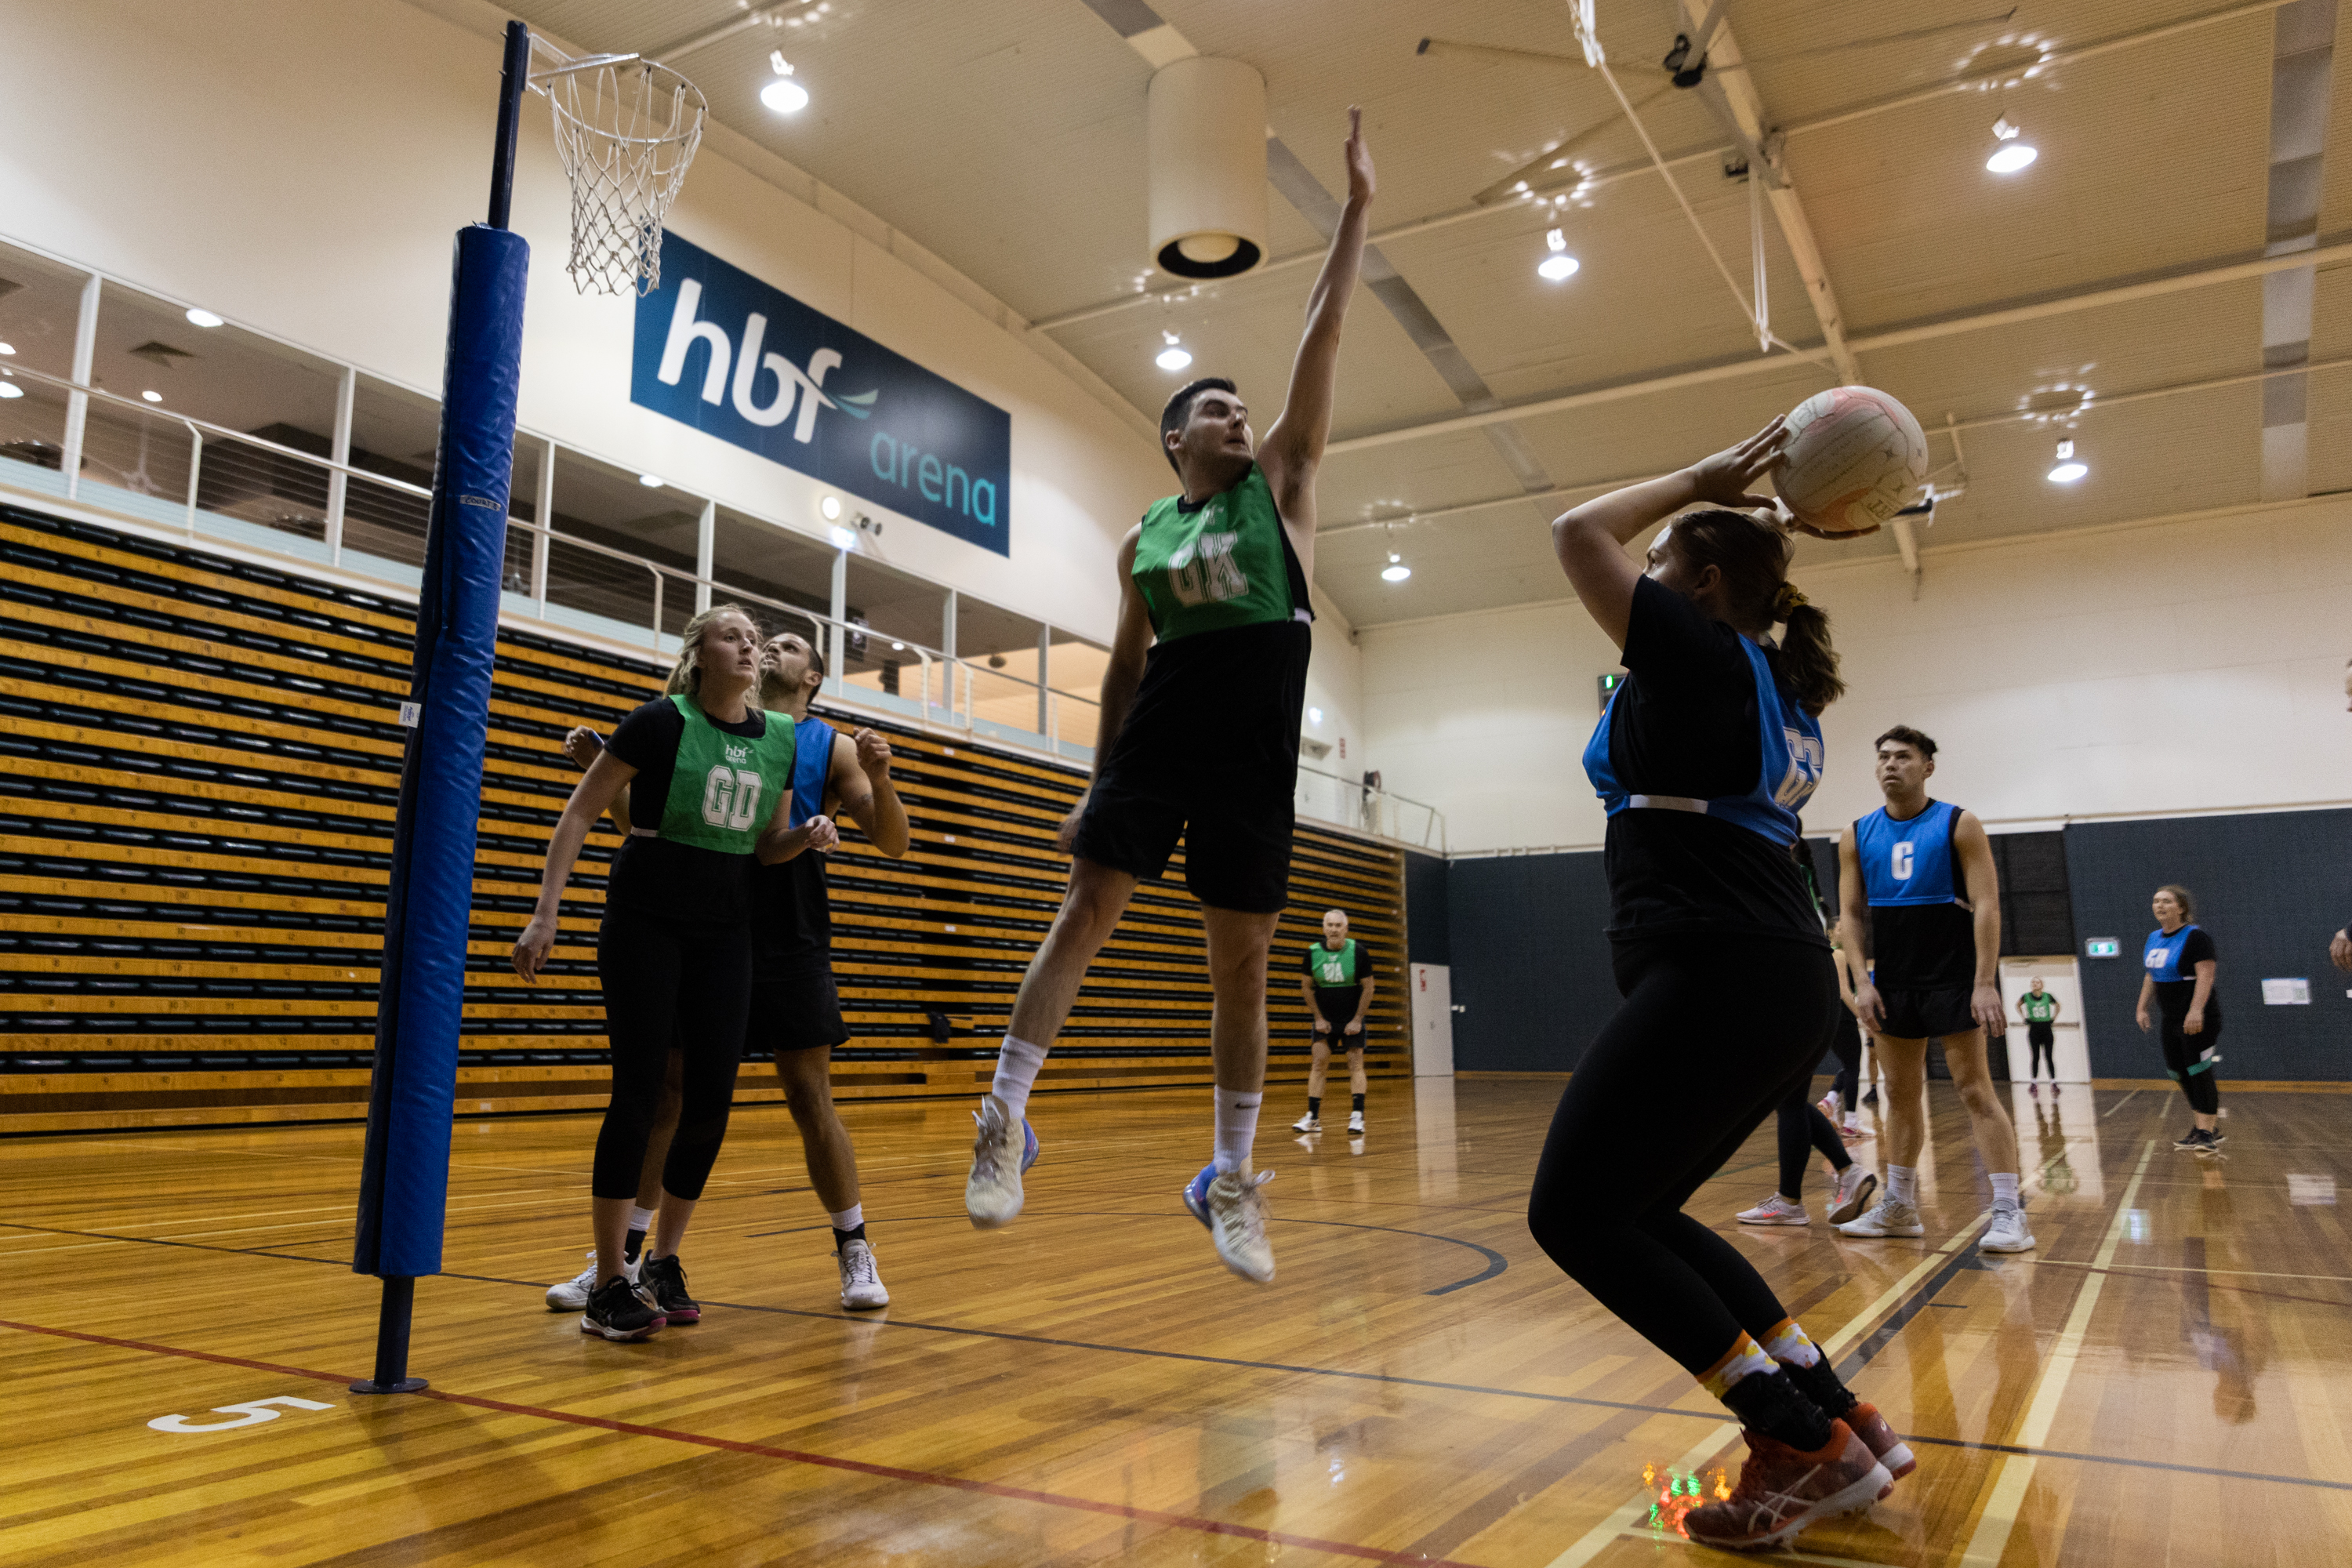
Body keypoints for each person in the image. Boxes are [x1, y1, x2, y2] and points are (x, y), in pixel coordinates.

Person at [960, 108, 1376, 1285]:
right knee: (1087, 906)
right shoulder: (1145, 537)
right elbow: (1128, 665)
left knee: (1241, 958)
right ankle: (1006, 1117)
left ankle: (1229, 1177)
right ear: (1174, 439)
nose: (1242, 415)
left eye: (1246, 407)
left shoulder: (1283, 488)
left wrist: (1354, 208)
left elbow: (1327, 328)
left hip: (1255, 739)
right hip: (1164, 729)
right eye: (1218, 410)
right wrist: (1096, 788)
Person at [1530, 419, 1910, 1552]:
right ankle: (1838, 1414)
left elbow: (1574, 530)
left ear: (1699, 586)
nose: (1636, 582)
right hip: (1762, 973)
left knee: (1575, 1215)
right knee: (1641, 1211)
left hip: (1723, 970)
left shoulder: (1700, 652)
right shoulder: (1763, 680)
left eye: (1660, 573)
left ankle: (1795, 1443)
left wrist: (1701, 481)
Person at [550, 627, 911, 1311]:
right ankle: (624, 1261)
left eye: (791, 644)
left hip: (787, 926)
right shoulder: (694, 723)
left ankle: (854, 1248)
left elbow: (894, 842)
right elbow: (648, 825)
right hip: (705, 919)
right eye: (757, 638)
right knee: (669, 1095)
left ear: (815, 677)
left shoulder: (825, 744)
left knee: (809, 1094)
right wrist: (602, 766)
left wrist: (883, 779)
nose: (770, 647)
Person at [512, 605, 836, 1341]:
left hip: (727, 932)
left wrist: (808, 835)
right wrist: (545, 913)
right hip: (646, 924)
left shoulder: (779, 739)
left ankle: (664, 1262)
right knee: (639, 1096)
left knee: (710, 1104)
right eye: (733, 635)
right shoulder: (658, 722)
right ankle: (606, 1283)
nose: (749, 645)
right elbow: (581, 814)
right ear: (698, 654)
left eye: (756, 638)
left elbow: (765, 848)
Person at [1834, 727, 2033, 1254]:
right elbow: (1850, 915)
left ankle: (2011, 1212)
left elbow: (1987, 904)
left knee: (1974, 1090)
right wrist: (1862, 981)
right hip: (1893, 981)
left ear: (1928, 767)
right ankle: (1899, 1207)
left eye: (1903, 757)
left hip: (1952, 975)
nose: (1890, 765)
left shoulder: (1958, 824)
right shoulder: (1856, 833)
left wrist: (1984, 982)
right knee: (1900, 1094)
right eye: (1883, 758)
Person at [1737, 836, 1875, 1228]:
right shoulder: (1802, 882)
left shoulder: (1779, 878)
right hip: (1811, 998)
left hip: (1797, 997)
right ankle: (1844, 1175)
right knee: (1790, 1101)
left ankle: (1792, 1199)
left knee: (1789, 1102)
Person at [2138, 885, 2223, 1152]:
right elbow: (2151, 975)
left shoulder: (2196, 937)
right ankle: (2202, 1126)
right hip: (2170, 1017)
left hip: (2198, 1016)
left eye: (2166, 901)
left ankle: (2207, 1131)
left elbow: (2206, 976)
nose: (2159, 905)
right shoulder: (2153, 938)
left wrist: (2196, 1010)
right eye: (2156, 901)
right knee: (2178, 1071)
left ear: (2181, 907)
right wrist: (2142, 1007)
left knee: (2198, 1070)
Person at [1292, 908, 1375, 1134]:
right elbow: (1306, 988)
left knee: (1355, 1064)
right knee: (1318, 1064)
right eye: (1330, 925)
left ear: (1346, 929)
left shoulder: (1359, 952)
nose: (1334, 929)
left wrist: (1358, 1019)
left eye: (1339, 925)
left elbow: (1369, 988)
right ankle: (1313, 1118)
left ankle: (1357, 1117)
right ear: (1324, 928)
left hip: (1351, 1019)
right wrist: (1318, 1018)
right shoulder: (1312, 953)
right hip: (1325, 1020)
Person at [2014, 978, 2061, 1095]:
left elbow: (2058, 1005)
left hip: (2046, 1029)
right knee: (2035, 1057)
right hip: (2034, 1029)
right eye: (2033, 982)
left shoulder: (2048, 996)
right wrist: (2024, 1017)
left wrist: (2053, 1018)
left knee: (2049, 1056)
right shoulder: (2026, 997)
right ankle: (2034, 1083)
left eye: (2037, 982)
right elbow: (2018, 1005)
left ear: (2042, 985)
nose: (2035, 984)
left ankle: (2053, 1083)